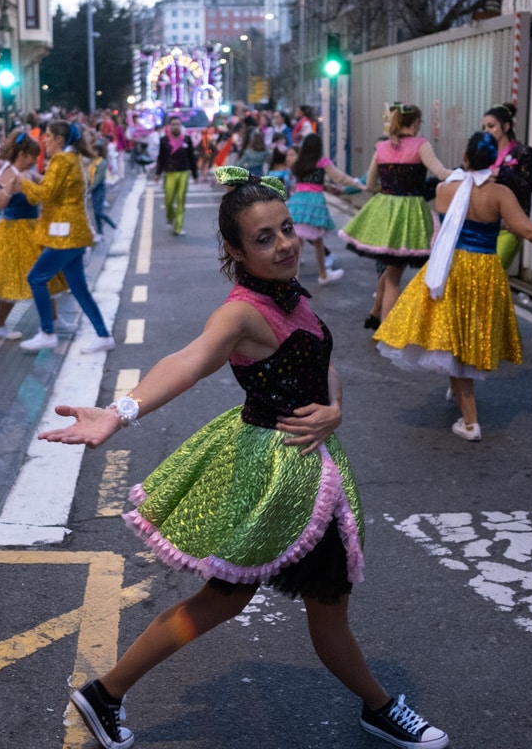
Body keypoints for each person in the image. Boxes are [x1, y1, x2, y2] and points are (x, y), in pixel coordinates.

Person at [40, 166, 448, 749]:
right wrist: (119, 412)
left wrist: (334, 409)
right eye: (264, 238)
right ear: (235, 251)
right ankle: (379, 708)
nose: (285, 245)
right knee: (300, 603)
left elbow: (321, 364)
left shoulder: (290, 295)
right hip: (276, 477)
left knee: (236, 601)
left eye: (287, 229)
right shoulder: (241, 313)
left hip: (305, 471)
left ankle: (105, 693)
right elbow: (187, 361)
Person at [374, 133, 532, 441]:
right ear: (493, 161)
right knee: (467, 335)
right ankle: (461, 401)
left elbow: (454, 220)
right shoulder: (500, 193)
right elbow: (529, 231)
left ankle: (470, 422)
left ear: (465, 156)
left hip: (450, 267)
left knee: (452, 334)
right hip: (483, 271)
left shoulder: (444, 189)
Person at [339, 103, 450, 328]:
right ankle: (388, 330)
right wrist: (468, 174)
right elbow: (441, 173)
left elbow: (370, 184)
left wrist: (389, 189)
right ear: (416, 123)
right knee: (398, 277)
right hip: (411, 215)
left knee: (392, 272)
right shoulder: (421, 145)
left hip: (386, 212)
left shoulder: (382, 147)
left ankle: (376, 316)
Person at [18, 120, 115, 354]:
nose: (44, 140)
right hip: (74, 232)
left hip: (65, 235)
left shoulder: (61, 159)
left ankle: (47, 332)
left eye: (48, 135)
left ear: (59, 140)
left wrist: (24, 183)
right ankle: (103, 335)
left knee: (36, 278)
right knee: (79, 288)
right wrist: (37, 179)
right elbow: (57, 190)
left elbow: (46, 194)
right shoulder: (73, 158)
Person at [0, 130, 68, 339]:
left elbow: (48, 186)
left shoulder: (28, 173)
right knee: (12, 279)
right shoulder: (8, 175)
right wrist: (9, 188)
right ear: (22, 154)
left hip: (33, 229)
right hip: (12, 233)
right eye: (33, 156)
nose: (35, 161)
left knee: (47, 273)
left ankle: (53, 318)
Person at [289, 134, 359, 287]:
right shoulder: (322, 162)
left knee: (298, 242)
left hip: (297, 203)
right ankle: (322, 274)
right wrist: (357, 183)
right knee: (318, 241)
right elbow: (340, 178)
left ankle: (295, 278)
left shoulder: (298, 163)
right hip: (314, 203)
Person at [482, 102, 532, 271]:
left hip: (510, 225)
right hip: (485, 224)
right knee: (483, 276)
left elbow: (526, 186)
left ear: (506, 127)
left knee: (493, 272)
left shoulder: (523, 153)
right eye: (484, 127)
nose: (487, 131)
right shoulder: (484, 154)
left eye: (491, 126)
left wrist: (502, 173)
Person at [153, 115, 198, 236]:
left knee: (180, 199)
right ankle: (170, 216)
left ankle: (178, 227)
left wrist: (195, 175)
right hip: (169, 172)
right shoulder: (164, 140)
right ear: (169, 126)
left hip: (184, 172)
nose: (176, 126)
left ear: (181, 126)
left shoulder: (187, 139)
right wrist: (158, 173)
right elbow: (161, 158)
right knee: (168, 199)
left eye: (178, 124)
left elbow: (191, 157)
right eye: (173, 124)